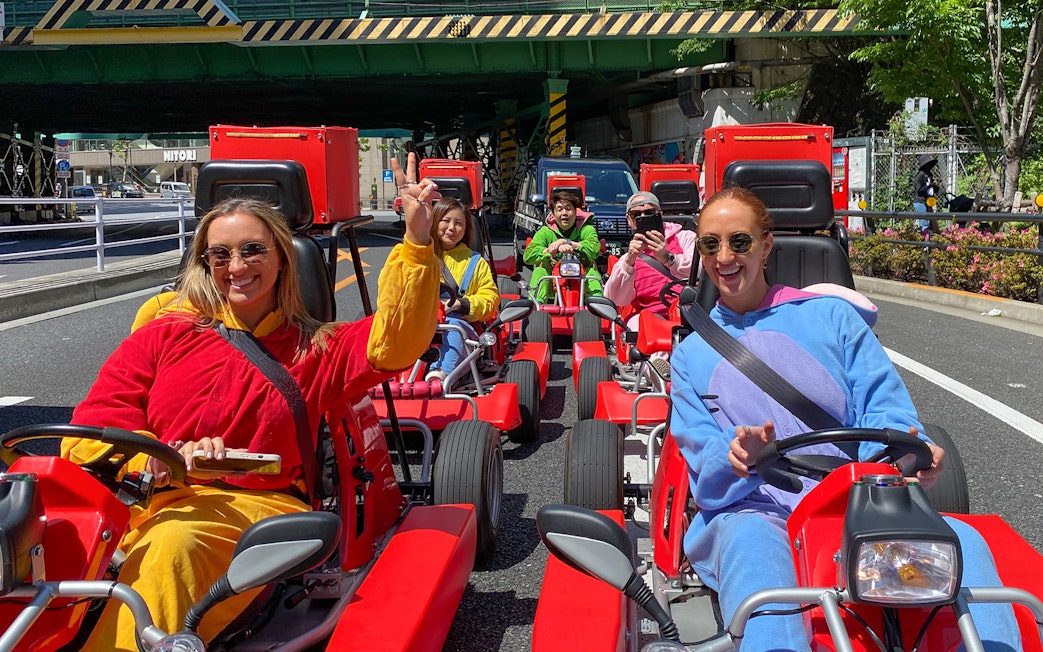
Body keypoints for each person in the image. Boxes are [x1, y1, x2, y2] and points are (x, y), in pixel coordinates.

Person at [61, 153, 442, 651]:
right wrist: (159, 459)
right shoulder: (162, 335)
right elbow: (94, 427)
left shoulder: (316, 348)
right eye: (220, 255)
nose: (236, 267)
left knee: (175, 547)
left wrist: (415, 242)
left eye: (252, 251)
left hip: (252, 511)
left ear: (282, 257)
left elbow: (396, 342)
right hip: (140, 508)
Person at [669, 186, 1021, 650]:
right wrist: (735, 454)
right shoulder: (692, 354)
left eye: (740, 241)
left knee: (964, 542)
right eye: (711, 244)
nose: (725, 256)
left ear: (766, 245)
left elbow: (886, 407)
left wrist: (907, 454)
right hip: (756, 504)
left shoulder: (832, 318)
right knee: (755, 548)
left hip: (853, 497)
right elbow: (699, 451)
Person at [603, 191, 696, 378]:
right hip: (652, 315)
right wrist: (630, 262)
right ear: (630, 220)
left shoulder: (685, 238)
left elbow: (702, 269)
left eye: (649, 213)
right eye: (637, 215)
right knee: (645, 326)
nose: (643, 218)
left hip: (691, 311)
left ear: (659, 214)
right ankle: (658, 373)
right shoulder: (627, 259)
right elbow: (616, 299)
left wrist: (668, 258)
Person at [424, 196, 500, 384]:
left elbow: (490, 299)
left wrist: (461, 304)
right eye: (446, 221)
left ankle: (439, 377)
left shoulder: (475, 263)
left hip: (460, 326)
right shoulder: (420, 257)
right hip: (420, 325)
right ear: (434, 222)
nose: (452, 228)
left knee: (453, 328)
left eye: (459, 223)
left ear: (466, 230)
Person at [523, 189, 602, 304]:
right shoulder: (545, 232)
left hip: (582, 276)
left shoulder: (586, 229)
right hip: (552, 280)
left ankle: (598, 306)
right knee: (540, 272)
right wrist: (550, 250)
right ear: (553, 214)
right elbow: (528, 256)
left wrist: (567, 242)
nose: (564, 213)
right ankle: (536, 307)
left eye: (568, 209)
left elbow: (593, 249)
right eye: (559, 209)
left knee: (592, 274)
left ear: (576, 211)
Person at [913, 154, 941, 234]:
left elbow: (933, 190)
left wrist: (935, 186)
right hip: (920, 201)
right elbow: (920, 191)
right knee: (924, 223)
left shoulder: (930, 175)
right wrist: (930, 185)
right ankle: (925, 242)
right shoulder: (920, 175)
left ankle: (928, 240)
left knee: (930, 223)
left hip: (929, 201)